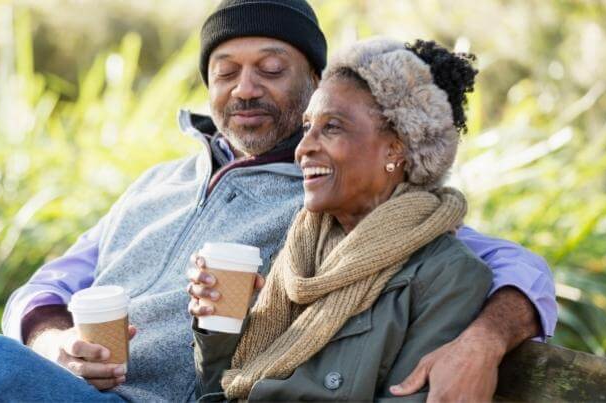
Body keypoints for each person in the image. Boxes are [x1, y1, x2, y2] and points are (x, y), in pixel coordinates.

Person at [0, 1, 556, 401]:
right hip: (66, 388)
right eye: (226, 71)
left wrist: (485, 340)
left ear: (316, 84)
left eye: (272, 68)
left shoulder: (335, 195)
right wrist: (54, 337)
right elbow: (54, 281)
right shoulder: (156, 183)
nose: (246, 88)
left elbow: (495, 261)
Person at [189, 36, 492, 402]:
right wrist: (219, 321)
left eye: (331, 128)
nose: (304, 148)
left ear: (396, 148)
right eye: (306, 128)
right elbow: (221, 386)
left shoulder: (446, 274)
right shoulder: (303, 246)